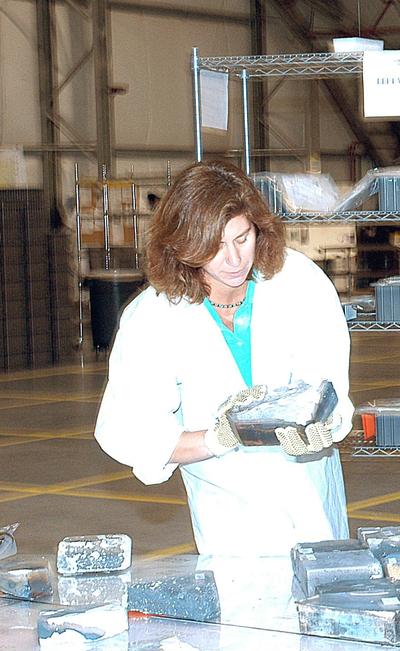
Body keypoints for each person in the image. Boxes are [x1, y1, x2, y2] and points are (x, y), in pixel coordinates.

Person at [95, 160, 354, 555]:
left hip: (311, 502)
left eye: (242, 238)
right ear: (181, 247)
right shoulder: (154, 316)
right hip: (228, 523)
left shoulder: (300, 284)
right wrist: (217, 438)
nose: (233, 260)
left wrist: (326, 425)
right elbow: (128, 430)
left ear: (258, 229)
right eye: (213, 247)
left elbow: (328, 386)